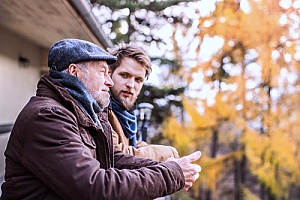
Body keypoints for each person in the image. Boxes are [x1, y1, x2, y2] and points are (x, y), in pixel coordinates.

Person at [0, 38, 202, 200]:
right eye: (103, 71)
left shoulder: (86, 113)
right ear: (74, 72)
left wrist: (168, 168)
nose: (109, 80)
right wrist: (170, 175)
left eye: (138, 79)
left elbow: (114, 159)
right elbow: (95, 187)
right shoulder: (47, 117)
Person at [107, 44, 180, 161]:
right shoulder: (102, 109)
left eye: (138, 80)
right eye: (124, 75)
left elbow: (133, 147)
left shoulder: (128, 117)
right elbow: (117, 155)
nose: (131, 85)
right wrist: (171, 152)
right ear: (109, 73)